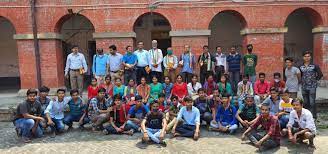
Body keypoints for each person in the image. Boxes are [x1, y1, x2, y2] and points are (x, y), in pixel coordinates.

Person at [299, 51, 323, 120]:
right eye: (305, 56)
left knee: (312, 102)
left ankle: (314, 116)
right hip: (303, 86)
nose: (307, 58)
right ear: (303, 57)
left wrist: (315, 80)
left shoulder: (315, 66)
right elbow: (299, 75)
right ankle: (306, 116)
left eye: (308, 56)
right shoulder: (300, 66)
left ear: (310, 57)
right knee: (305, 102)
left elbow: (320, 74)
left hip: (312, 86)